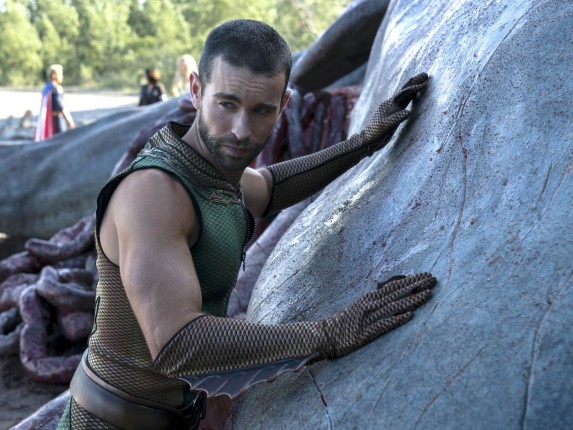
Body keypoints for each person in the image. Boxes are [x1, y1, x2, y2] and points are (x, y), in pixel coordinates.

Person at [57, 19, 435, 429]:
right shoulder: (153, 192)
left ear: (283, 104)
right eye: (226, 104)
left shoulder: (213, 171)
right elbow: (176, 343)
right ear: (196, 89)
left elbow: (269, 187)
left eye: (261, 111)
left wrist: (365, 143)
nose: (241, 131)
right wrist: (329, 333)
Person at [34, 64, 75, 142]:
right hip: (57, 120)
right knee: (60, 141)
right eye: (60, 74)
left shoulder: (46, 88)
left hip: (48, 121)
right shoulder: (56, 88)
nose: (62, 76)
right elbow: (60, 107)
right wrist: (69, 121)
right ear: (54, 75)